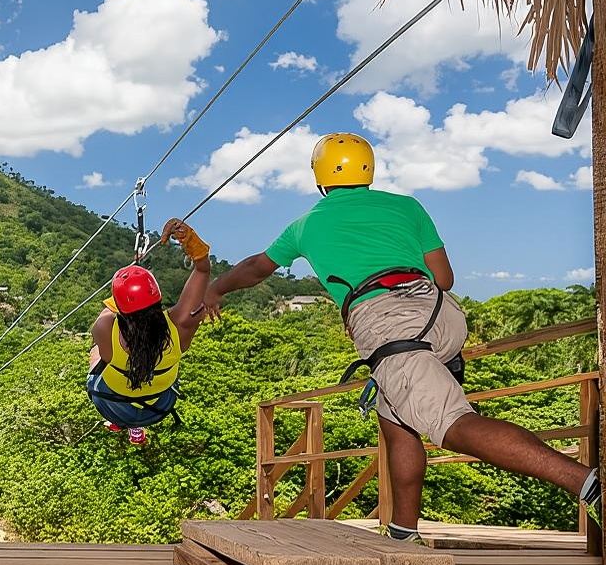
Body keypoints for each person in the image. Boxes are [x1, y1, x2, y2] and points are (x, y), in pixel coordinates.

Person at [203, 132, 602, 541]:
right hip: (440, 315)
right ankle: (403, 532)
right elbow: (445, 278)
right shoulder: (407, 206)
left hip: (389, 323)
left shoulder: (308, 224)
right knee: (397, 417)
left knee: (452, 424)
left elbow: (256, 267)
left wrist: (215, 289)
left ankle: (587, 484)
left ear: (319, 177)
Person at [87, 220, 211, 444]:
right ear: (158, 296)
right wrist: (196, 248)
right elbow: (203, 270)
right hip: (159, 405)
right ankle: (137, 425)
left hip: (113, 405)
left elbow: (109, 309)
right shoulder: (182, 324)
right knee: (142, 367)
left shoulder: (105, 327)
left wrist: (126, 282)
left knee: (97, 352)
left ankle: (125, 423)